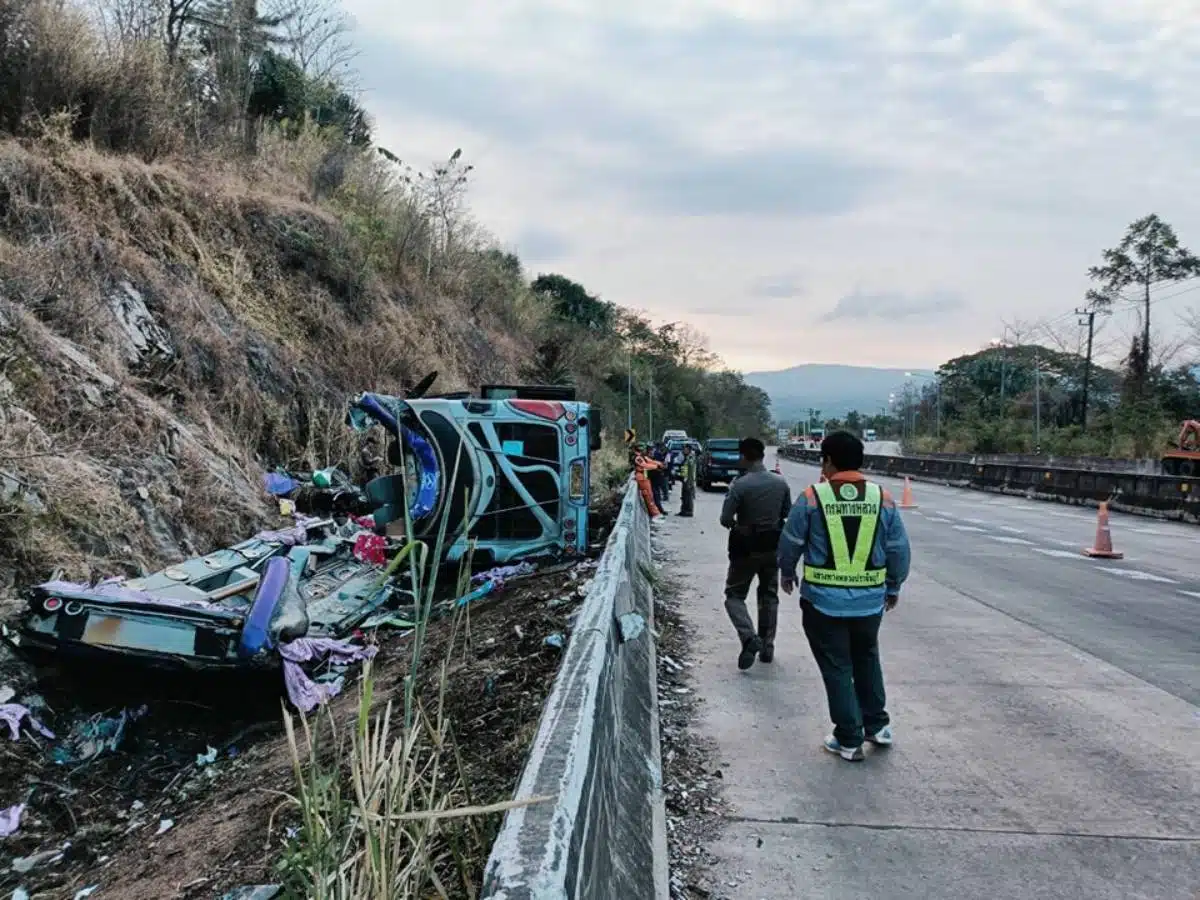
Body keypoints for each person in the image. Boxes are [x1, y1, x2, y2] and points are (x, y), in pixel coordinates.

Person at [778, 430, 911, 762]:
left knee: (837, 666)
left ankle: (849, 738)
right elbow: (898, 549)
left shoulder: (812, 497)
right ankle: (877, 725)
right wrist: (893, 586)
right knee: (866, 657)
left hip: (823, 602)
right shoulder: (884, 498)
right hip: (869, 602)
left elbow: (791, 541)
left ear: (827, 460)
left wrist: (786, 571)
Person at [719, 437, 792, 670]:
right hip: (773, 547)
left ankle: (749, 637)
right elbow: (786, 513)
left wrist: (738, 524)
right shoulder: (780, 483)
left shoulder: (739, 485)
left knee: (734, 595)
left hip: (745, 549)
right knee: (769, 595)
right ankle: (768, 647)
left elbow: (725, 519)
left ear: (744, 456)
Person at [632, 447, 663, 518]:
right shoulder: (638, 458)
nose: (645, 450)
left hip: (645, 476)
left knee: (650, 495)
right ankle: (655, 514)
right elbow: (645, 465)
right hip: (641, 477)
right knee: (648, 496)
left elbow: (650, 461)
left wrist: (660, 464)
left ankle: (655, 513)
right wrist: (656, 467)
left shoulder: (642, 457)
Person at [678, 443, 697, 517]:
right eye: (683, 449)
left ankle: (689, 511)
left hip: (689, 480)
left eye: (685, 449)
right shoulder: (686, 457)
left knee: (689, 496)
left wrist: (690, 481)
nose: (683, 450)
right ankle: (683, 510)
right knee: (684, 495)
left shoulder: (691, 457)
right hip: (685, 479)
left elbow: (691, 470)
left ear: (689, 450)